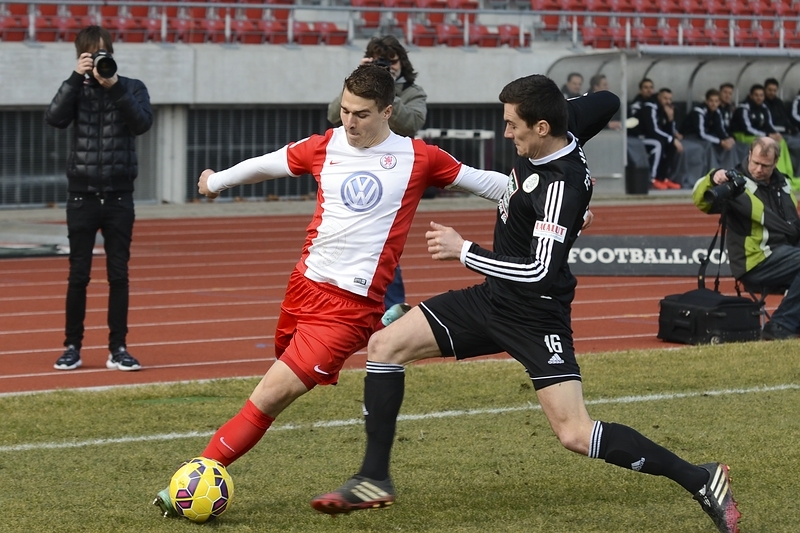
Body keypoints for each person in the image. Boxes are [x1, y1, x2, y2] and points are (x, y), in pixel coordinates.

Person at [311, 74, 740, 533]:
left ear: (540, 128)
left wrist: (463, 250)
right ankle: (374, 479)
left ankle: (701, 479)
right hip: (493, 299)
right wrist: (560, 105)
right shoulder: (559, 119)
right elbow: (610, 99)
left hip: (536, 315)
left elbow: (540, 270)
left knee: (575, 433)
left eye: (512, 124)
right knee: (384, 347)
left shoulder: (561, 185)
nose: (506, 133)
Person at [152, 63, 510, 518]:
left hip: (347, 307)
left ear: (387, 111)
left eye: (361, 114)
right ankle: (385, 324)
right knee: (279, 369)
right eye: (344, 110)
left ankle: (192, 481)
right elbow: (271, 163)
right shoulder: (326, 145)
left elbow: (488, 182)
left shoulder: (418, 158)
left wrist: (561, 200)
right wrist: (216, 181)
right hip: (303, 287)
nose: (349, 122)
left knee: (270, 395)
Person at [45, 25, 152, 372]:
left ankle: (118, 348)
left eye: (104, 52)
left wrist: (114, 86)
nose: (99, 59)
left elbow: (141, 124)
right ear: (81, 56)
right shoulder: (76, 89)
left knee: (118, 275)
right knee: (78, 276)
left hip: (119, 197)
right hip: (82, 197)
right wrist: (76, 78)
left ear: (112, 53)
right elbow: (54, 118)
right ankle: (72, 348)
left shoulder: (132, 87)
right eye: (92, 53)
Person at [327, 35, 428, 321]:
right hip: (354, 168)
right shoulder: (356, 92)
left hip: (392, 171)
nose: (386, 65)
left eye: (390, 61)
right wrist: (361, 80)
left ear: (402, 63)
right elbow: (333, 114)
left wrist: (387, 90)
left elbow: (411, 123)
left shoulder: (412, 91)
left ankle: (393, 311)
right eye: (378, 60)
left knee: (382, 240)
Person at [693, 136, 800, 341]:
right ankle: (781, 325)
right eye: (756, 163)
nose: (759, 169)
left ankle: (792, 321)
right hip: (755, 261)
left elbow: (792, 225)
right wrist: (713, 177)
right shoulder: (736, 187)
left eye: (765, 165)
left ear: (775, 163)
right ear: (749, 155)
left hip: (784, 253)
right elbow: (701, 200)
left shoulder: (783, 184)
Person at [730, 83, 796, 185]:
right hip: (744, 136)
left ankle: (784, 172)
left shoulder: (764, 108)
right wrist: (767, 135)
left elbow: (769, 124)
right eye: (756, 95)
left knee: (780, 141)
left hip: (760, 134)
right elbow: (747, 128)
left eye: (761, 95)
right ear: (751, 95)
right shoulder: (743, 108)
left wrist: (775, 133)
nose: (759, 98)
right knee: (767, 142)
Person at [638, 87, 684, 189]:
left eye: (670, 99)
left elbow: (668, 132)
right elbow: (652, 130)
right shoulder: (650, 107)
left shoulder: (665, 109)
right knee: (658, 144)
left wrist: (670, 119)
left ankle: (663, 178)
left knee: (672, 146)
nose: (668, 102)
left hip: (654, 137)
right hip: (640, 137)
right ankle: (652, 179)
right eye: (665, 98)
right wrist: (672, 139)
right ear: (659, 97)